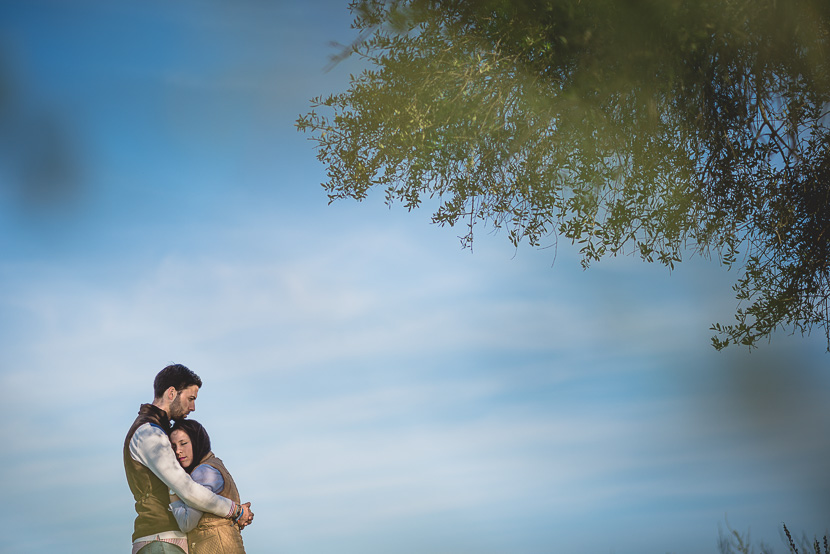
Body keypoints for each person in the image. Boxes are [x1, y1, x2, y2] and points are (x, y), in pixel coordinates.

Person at [124, 364, 253, 554]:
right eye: (190, 398)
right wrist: (236, 510)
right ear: (171, 393)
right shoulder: (149, 434)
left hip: (166, 541)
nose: (193, 407)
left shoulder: (159, 431)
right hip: (161, 541)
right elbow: (187, 489)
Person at [168, 419, 247, 553]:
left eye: (183, 443)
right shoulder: (214, 464)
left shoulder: (203, 472)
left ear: (197, 441)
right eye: (174, 446)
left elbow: (186, 523)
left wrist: (172, 491)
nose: (178, 451)